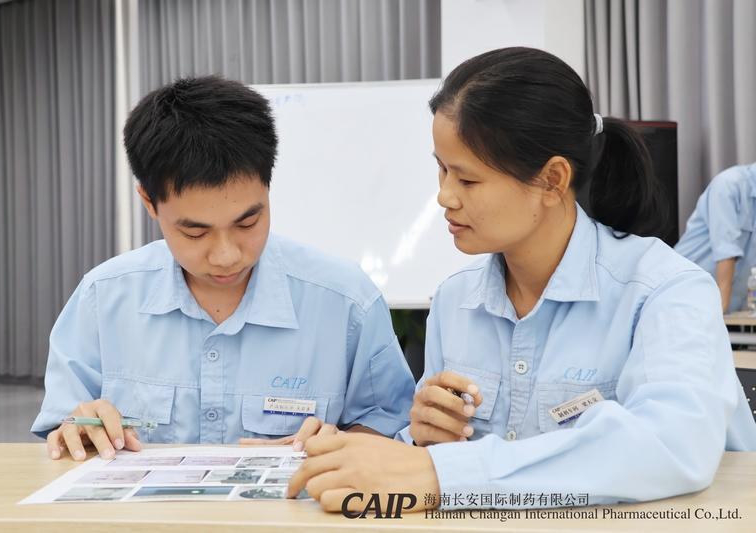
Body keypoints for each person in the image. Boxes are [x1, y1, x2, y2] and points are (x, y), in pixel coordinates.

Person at [288, 47, 756, 512]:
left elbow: (672, 444)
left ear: (552, 180)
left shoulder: (667, 290)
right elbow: (430, 460)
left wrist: (443, 474)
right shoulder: (455, 300)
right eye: (442, 169)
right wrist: (424, 438)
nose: (444, 196)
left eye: (467, 180)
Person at [31, 76, 414, 461]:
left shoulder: (346, 303)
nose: (227, 255)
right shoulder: (103, 298)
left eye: (247, 223)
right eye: (195, 232)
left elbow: (390, 427)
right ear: (149, 201)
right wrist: (77, 428)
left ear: (267, 186)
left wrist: (345, 443)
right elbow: (63, 433)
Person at [675, 163, 756, 312]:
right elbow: (726, 252)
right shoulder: (729, 184)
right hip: (681, 296)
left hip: (722, 309)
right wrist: (719, 314)